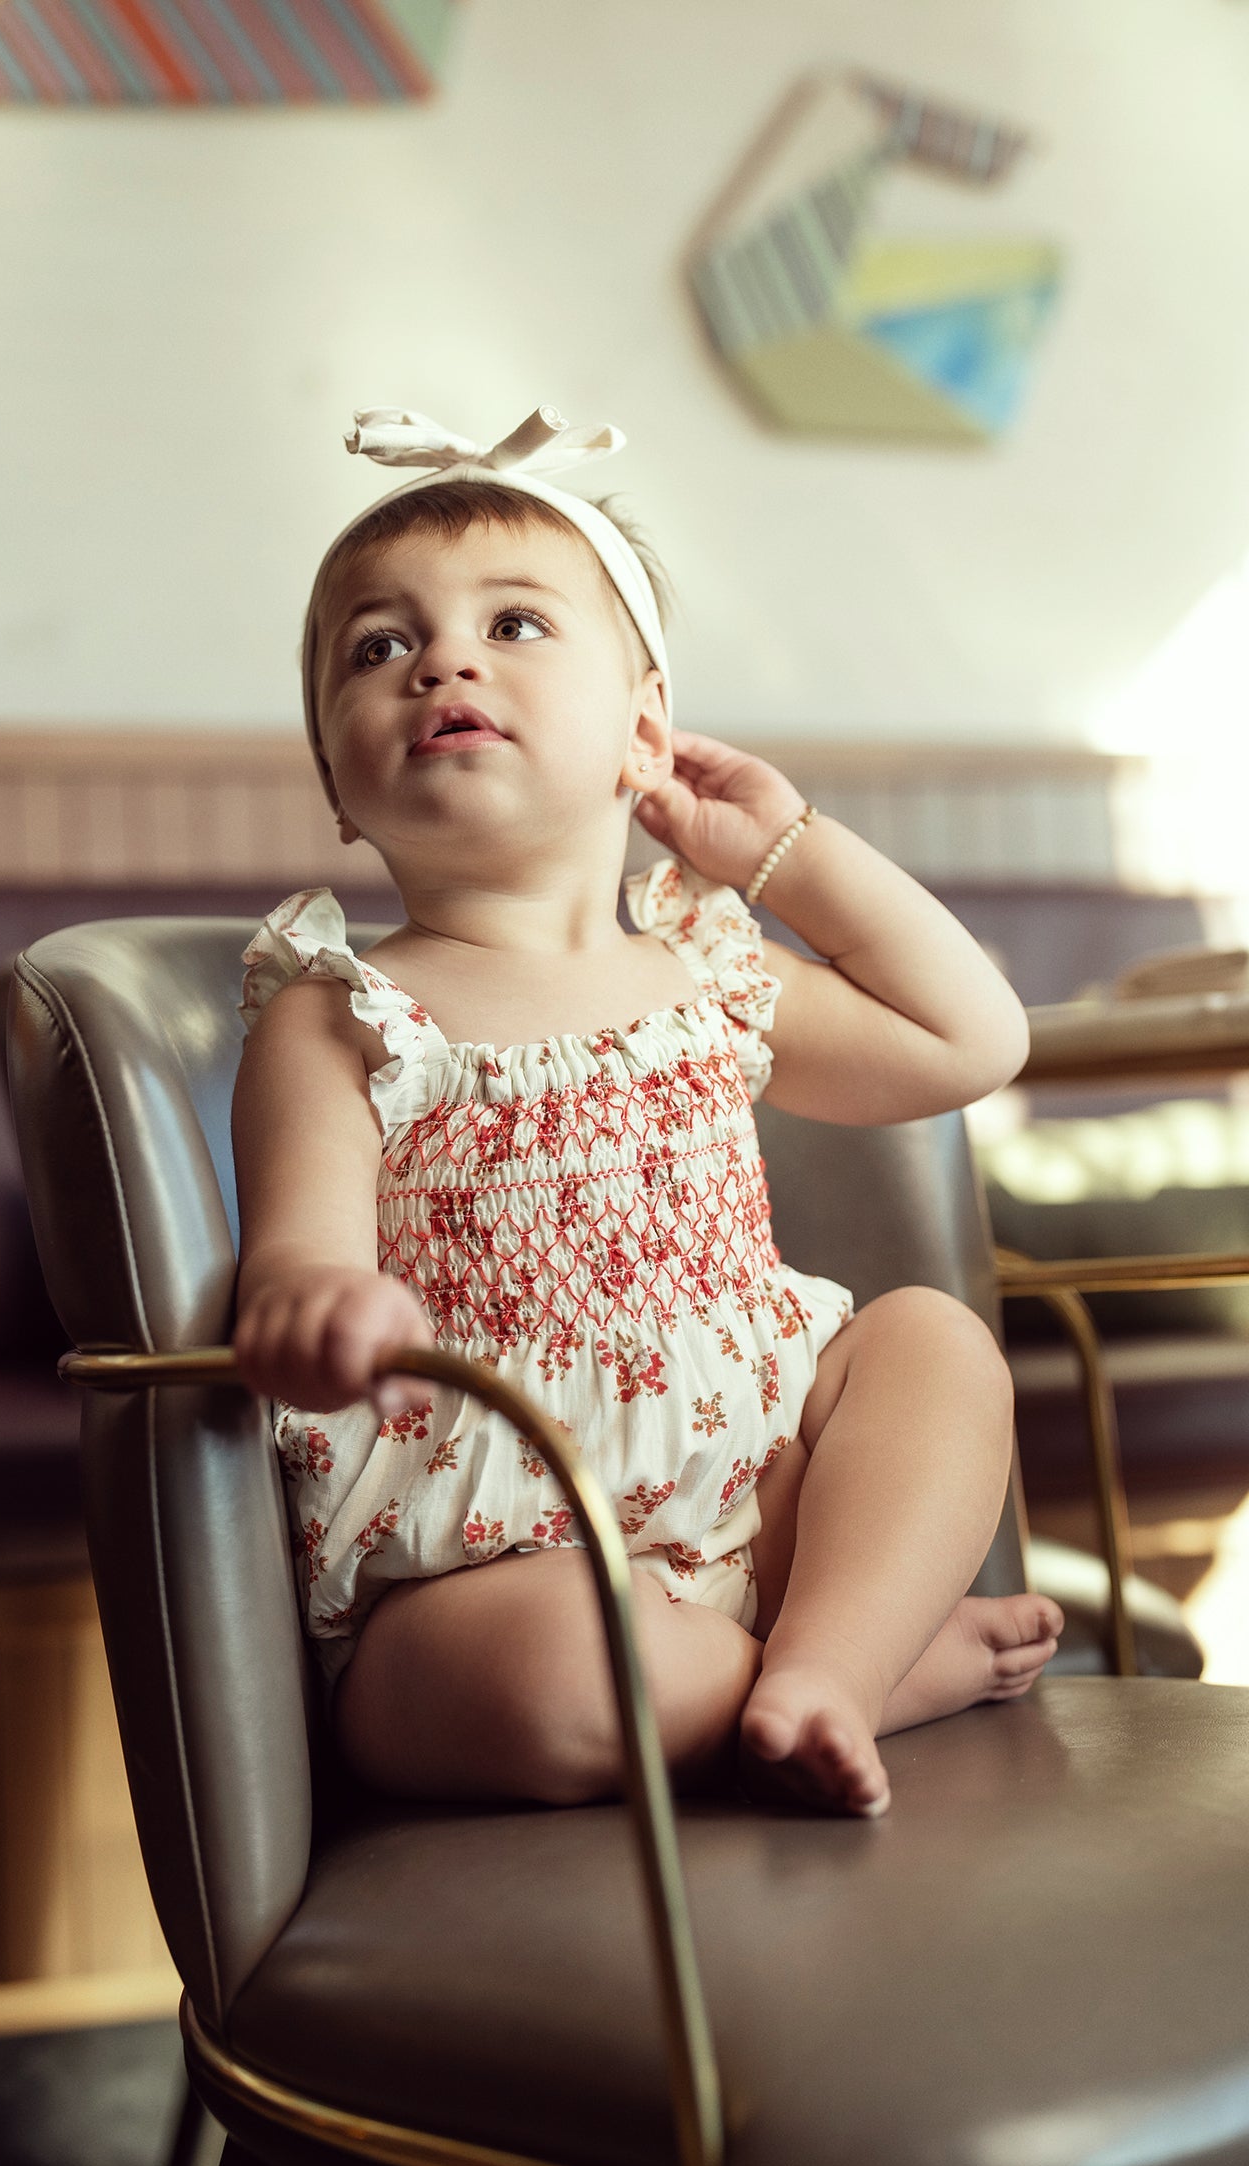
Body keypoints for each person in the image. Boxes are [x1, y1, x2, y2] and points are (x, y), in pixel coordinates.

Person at [232, 405, 1062, 1820]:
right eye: (379, 645)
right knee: (555, 1677)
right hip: (487, 1571)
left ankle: (828, 1657)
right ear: (338, 786)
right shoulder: (341, 1010)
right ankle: (865, 1682)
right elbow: (300, 1252)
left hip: (770, 1502)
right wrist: (317, 1310)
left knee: (934, 1342)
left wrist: (790, 854)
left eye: (516, 624)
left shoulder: (710, 970)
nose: (442, 659)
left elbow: (971, 1037)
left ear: (644, 736)